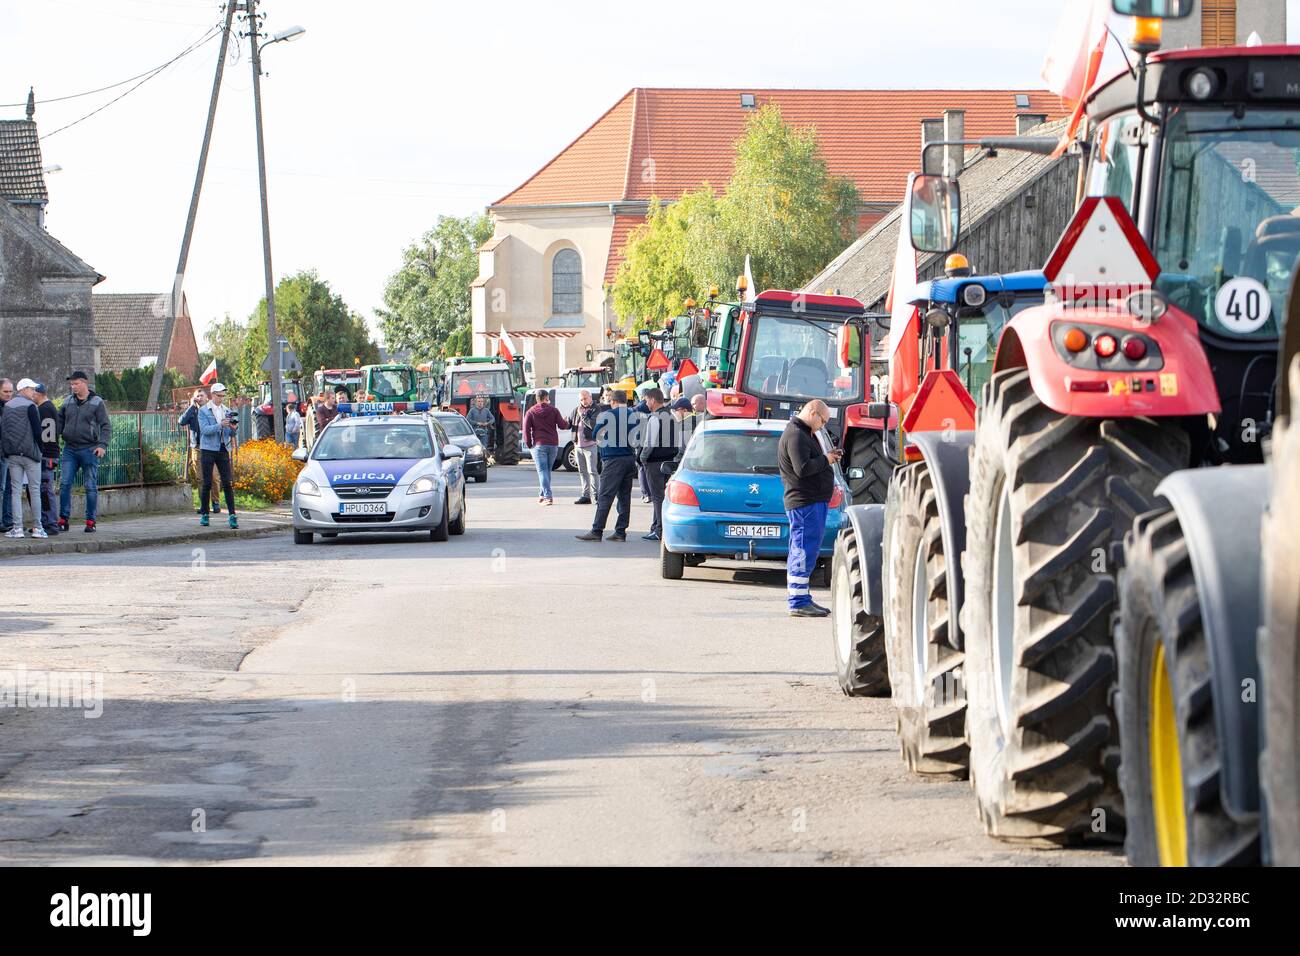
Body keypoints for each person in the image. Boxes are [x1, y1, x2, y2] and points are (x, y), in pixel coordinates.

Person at [778, 400, 842, 617]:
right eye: (822, 420)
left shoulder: (803, 433)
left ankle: (802, 597)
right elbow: (802, 469)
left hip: (811, 502)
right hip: (805, 503)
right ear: (812, 412)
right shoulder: (796, 435)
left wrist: (827, 458)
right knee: (803, 550)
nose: (822, 425)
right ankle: (797, 601)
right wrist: (826, 459)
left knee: (805, 549)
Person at [576, 387, 636, 542]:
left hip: (613, 459)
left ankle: (597, 530)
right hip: (629, 459)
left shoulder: (608, 415)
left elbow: (595, 434)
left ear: (613, 401)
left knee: (605, 496)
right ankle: (620, 532)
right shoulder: (634, 415)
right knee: (624, 497)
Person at [57, 370, 111, 533]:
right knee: (65, 483)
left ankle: (90, 521)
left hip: (90, 449)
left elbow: (106, 425)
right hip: (70, 449)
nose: (73, 387)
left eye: (76, 383)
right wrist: (54, 439)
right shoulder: (67, 402)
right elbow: (59, 421)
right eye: (71, 384)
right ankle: (63, 519)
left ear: (85, 383)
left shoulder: (97, 402)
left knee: (90, 486)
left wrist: (102, 445)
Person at [2, 379, 46, 538]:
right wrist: (40, 451)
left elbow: (4, 430)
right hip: (30, 454)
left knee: (15, 491)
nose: (34, 392)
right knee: (34, 490)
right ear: (24, 389)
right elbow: (37, 431)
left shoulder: (7, 406)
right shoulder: (31, 406)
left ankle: (18, 528)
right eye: (32, 389)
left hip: (13, 455)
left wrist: (7, 451)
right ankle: (38, 528)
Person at [636, 387, 677, 541]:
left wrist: (643, 458)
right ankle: (656, 526)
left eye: (647, 400)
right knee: (663, 496)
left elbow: (649, 442)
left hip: (654, 462)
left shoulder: (655, 418)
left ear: (653, 400)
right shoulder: (671, 416)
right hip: (668, 462)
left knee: (657, 497)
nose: (646, 404)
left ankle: (659, 529)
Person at [198, 383, 238, 528]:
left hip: (222, 448)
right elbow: (204, 430)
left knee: (227, 482)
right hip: (208, 449)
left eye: (223, 396)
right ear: (213, 395)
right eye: (219, 396)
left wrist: (233, 428)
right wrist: (220, 425)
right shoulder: (204, 411)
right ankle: (204, 514)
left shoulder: (227, 410)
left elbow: (230, 433)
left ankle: (232, 515)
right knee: (207, 482)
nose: (222, 398)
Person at [180, 390, 223, 514]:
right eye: (197, 396)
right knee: (200, 478)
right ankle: (204, 505)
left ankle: (215, 502)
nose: (199, 398)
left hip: (212, 447)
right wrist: (191, 406)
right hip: (197, 448)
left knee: (214, 476)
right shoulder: (192, 411)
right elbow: (181, 421)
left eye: (201, 395)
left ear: (207, 397)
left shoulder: (211, 409)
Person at [522, 389, 567, 505]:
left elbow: (526, 430)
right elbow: (562, 425)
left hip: (539, 444)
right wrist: (567, 421)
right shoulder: (554, 410)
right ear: (546, 398)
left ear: (537, 399)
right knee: (546, 471)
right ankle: (542, 495)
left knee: (542, 471)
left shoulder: (530, 412)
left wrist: (529, 445)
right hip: (553, 444)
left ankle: (548, 496)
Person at [33, 383, 60, 535]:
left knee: (45, 490)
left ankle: (50, 523)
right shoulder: (51, 408)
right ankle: (46, 522)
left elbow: (43, 434)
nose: (32, 396)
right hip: (51, 454)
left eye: (33, 393)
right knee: (43, 490)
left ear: (39, 393)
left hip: (46, 455)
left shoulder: (42, 410)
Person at [568, 389, 599, 504]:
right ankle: (586, 496)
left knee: (592, 471)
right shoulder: (576, 409)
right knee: (582, 471)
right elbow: (569, 424)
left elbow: (592, 425)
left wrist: (583, 415)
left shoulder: (596, 409)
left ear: (590, 397)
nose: (584, 401)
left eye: (585, 398)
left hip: (590, 445)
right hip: (578, 446)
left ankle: (597, 496)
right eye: (581, 399)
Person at [0, 377, 12, 532]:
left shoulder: (9, 407)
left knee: (9, 488)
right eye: (5, 391)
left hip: (9, 453)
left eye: (10, 391)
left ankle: (7, 518)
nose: (9, 394)